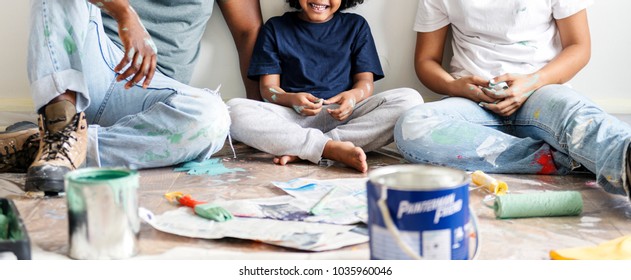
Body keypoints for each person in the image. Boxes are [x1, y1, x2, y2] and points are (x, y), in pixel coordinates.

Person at [0, 0, 262, 194]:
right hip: (91, 70)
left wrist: (256, 113)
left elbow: (247, 31)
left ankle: (50, 145)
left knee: (212, 118)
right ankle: (61, 125)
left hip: (154, 97)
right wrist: (125, 13)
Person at [394, 0, 631, 198]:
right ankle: (559, 159)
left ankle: (624, 159)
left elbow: (579, 47)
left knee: (579, 117)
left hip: (541, 92)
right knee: (412, 124)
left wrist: (533, 82)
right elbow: (426, 60)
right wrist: (455, 86)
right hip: (472, 103)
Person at [227, 0, 424, 173]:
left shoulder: (356, 26)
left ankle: (312, 148)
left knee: (410, 100)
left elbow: (365, 83)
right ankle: (329, 149)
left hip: (344, 117)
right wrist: (291, 99)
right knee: (233, 111)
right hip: (293, 118)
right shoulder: (275, 28)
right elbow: (268, 89)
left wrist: (353, 97)